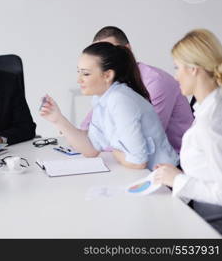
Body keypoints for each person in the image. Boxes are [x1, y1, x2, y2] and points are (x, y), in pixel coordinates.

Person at [40, 42, 179, 170]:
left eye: (86, 74)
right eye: (79, 72)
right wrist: (57, 119)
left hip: (164, 180)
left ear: (107, 75)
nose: (79, 80)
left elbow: (138, 162)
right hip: (145, 176)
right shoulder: (102, 99)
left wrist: (116, 152)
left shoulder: (120, 100)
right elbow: (91, 149)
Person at [81, 26, 194, 153]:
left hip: (174, 162)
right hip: (133, 160)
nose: (106, 60)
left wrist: (94, 141)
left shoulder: (156, 82)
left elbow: (144, 140)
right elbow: (87, 127)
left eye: (112, 51)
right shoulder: (111, 83)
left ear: (127, 49)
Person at [154, 29, 222, 234]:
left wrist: (176, 180)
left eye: (177, 68)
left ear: (193, 69)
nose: (175, 76)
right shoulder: (210, 108)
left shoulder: (209, 123)